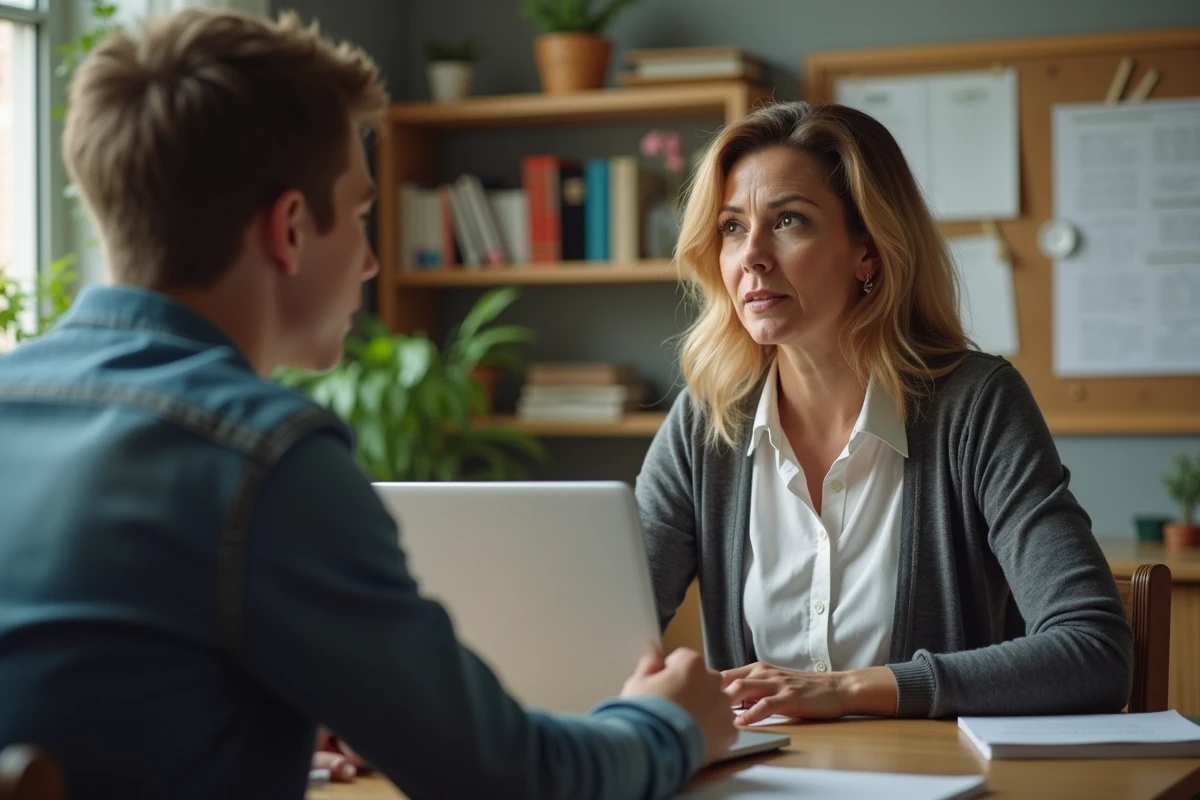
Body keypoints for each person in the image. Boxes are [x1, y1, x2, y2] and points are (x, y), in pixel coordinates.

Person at [0, 9, 735, 798]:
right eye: (357, 214)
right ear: (288, 229)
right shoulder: (263, 458)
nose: (372, 258)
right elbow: (513, 780)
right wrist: (672, 723)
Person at [636, 101, 1134, 726]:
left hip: (932, 782)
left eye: (789, 220)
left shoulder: (976, 406)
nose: (752, 256)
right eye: (733, 228)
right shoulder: (705, 422)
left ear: (867, 253)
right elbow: (605, 631)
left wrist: (847, 690)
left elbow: (1094, 653)